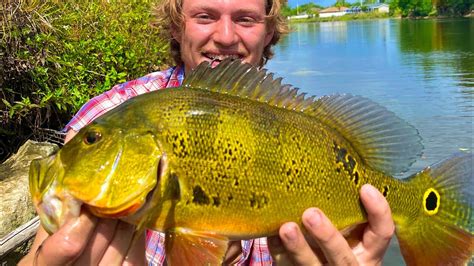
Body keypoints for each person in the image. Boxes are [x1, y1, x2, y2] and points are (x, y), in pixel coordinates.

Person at [20, 0, 395, 265]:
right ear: (175, 23)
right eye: (204, 15)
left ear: (269, 31)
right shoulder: (112, 115)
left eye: (246, 19)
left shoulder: (295, 121)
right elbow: (44, 245)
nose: (226, 36)